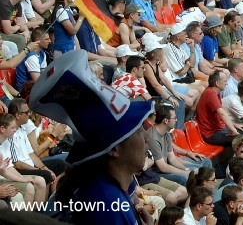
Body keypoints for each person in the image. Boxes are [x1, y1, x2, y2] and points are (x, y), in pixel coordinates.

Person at [29, 49, 155, 224]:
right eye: (138, 132)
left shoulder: (108, 191)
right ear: (114, 149)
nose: (147, 138)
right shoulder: (107, 205)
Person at [146, 104, 212, 185]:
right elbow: (162, 167)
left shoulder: (165, 133)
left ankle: (205, 193)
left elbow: (172, 159)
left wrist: (187, 169)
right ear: (166, 120)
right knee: (187, 177)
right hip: (157, 172)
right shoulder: (153, 138)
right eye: (174, 118)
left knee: (203, 165)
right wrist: (186, 172)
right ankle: (199, 196)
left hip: (167, 164)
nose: (176, 120)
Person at [196, 70, 243, 146]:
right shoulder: (210, 93)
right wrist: (233, 130)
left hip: (218, 129)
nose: (227, 83)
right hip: (210, 134)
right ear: (217, 83)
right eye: (225, 81)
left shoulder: (215, 93)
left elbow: (219, 116)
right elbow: (222, 113)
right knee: (242, 140)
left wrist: (234, 124)